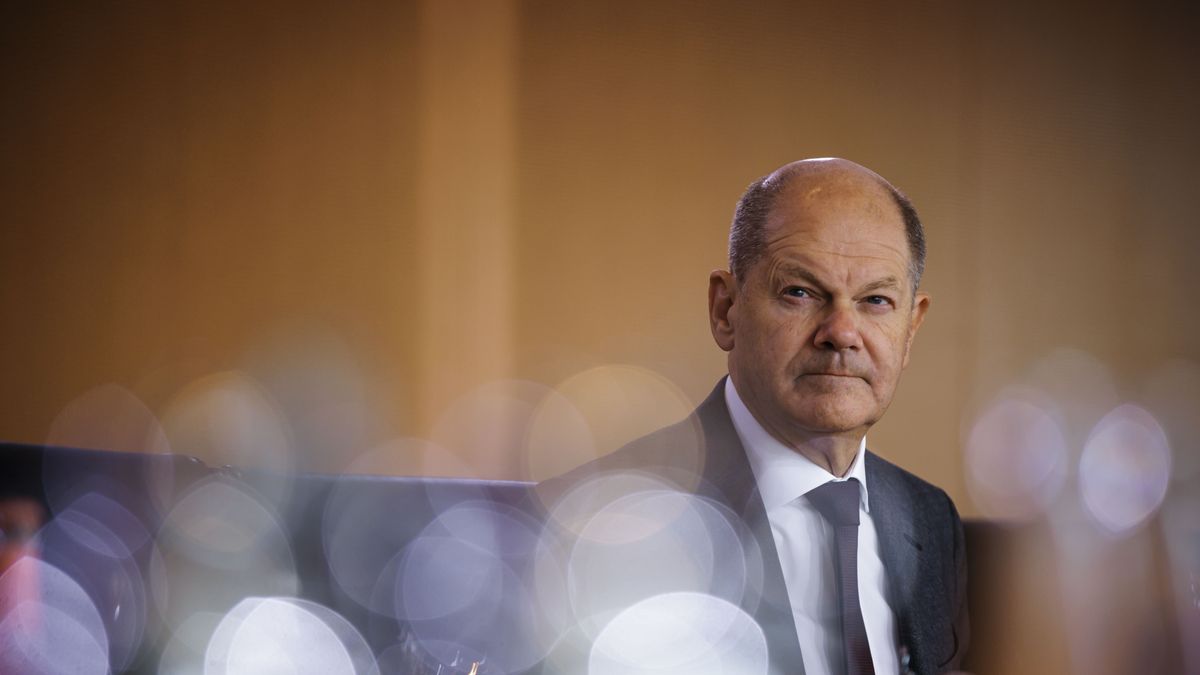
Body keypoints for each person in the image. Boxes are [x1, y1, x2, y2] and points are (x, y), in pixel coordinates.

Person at [535, 158, 968, 675]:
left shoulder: (929, 519)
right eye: (801, 292)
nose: (842, 332)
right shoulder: (602, 519)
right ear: (726, 310)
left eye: (876, 300)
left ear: (910, 329)